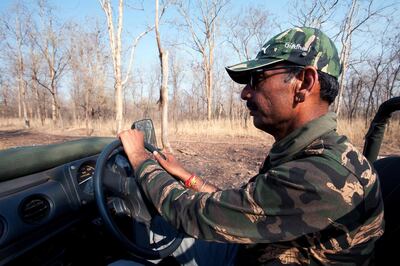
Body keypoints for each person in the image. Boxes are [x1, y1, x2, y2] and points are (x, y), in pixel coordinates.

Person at [119, 27, 384, 265]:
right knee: (156, 232)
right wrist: (189, 178)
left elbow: (195, 215)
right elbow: (247, 209)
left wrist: (140, 158)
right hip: (252, 250)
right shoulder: (306, 151)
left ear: (304, 82)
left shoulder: (320, 175)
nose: (245, 92)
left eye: (257, 79)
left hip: (252, 253)